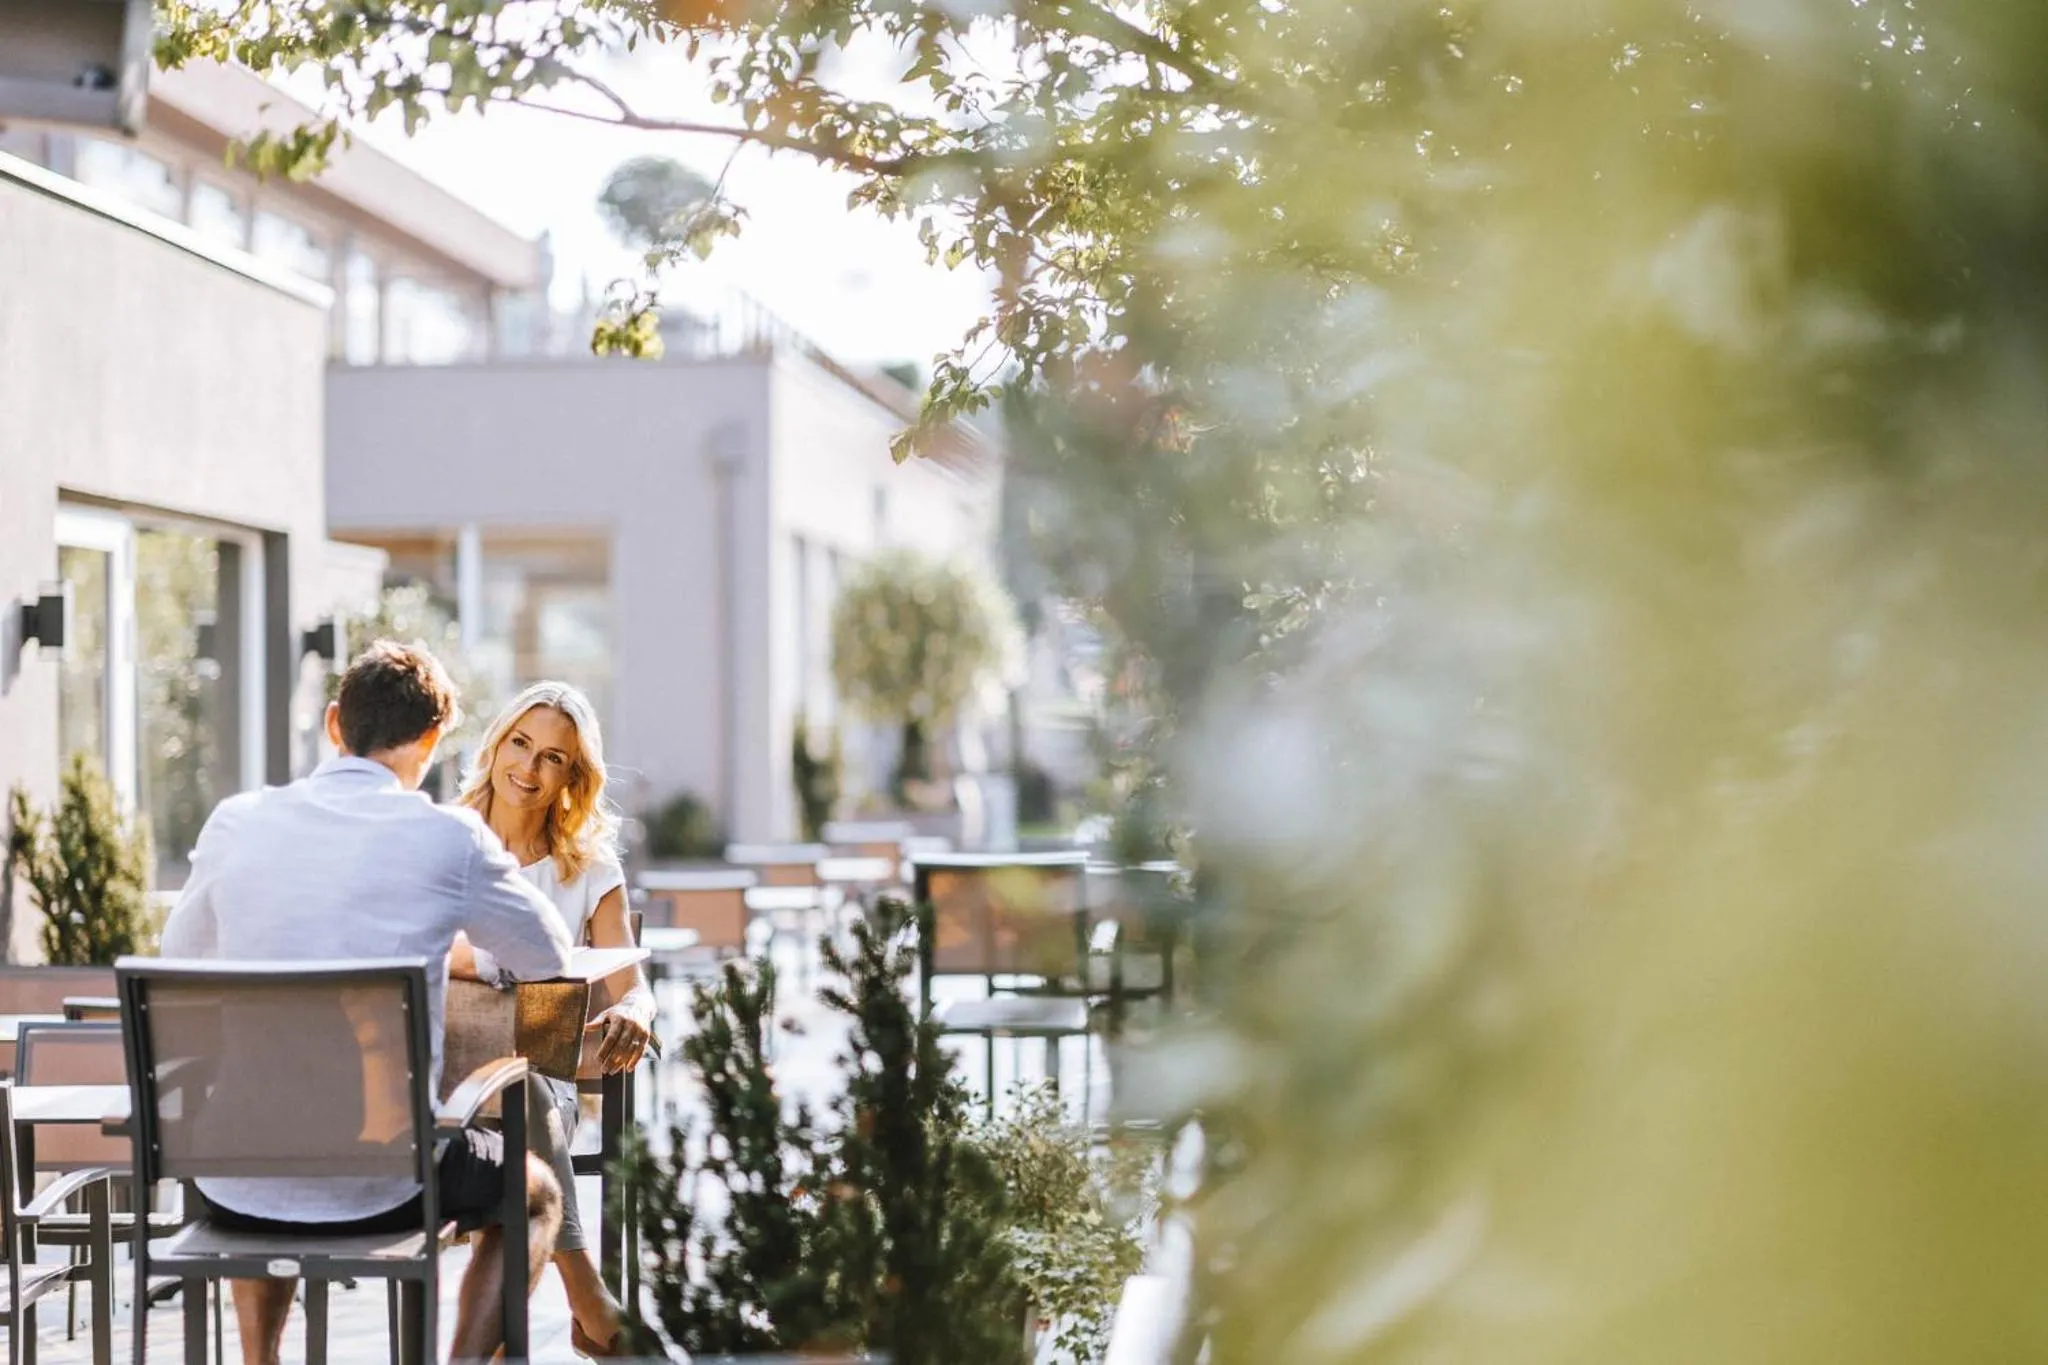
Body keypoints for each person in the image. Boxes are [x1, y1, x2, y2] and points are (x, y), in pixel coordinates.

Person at [160, 642, 576, 1365]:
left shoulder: (237, 821)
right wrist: (466, 950)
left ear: (333, 724)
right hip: (385, 1180)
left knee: (271, 1140)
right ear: (430, 740)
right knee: (534, 1191)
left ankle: (262, 1359)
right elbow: (550, 958)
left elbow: (178, 963)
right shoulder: (449, 838)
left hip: (234, 1173)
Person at [451, 681, 656, 1359]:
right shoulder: (446, 842)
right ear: (498, 741)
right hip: (448, 1085)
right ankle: (590, 1301)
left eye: (553, 758)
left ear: (574, 774)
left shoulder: (588, 865)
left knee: (527, 1099)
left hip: (546, 1084)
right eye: (520, 744)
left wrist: (633, 1008)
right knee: (515, 1128)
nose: (529, 769)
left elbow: (634, 982)